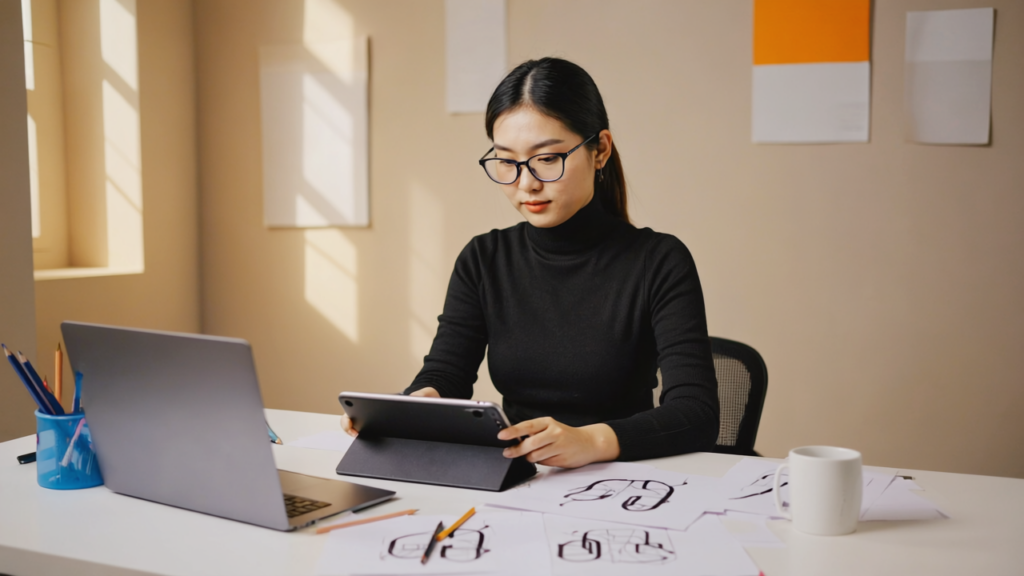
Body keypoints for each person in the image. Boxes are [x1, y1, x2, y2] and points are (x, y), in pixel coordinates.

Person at [342, 57, 719, 468]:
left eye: (548, 158)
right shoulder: (484, 259)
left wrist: (591, 441)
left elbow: (696, 413)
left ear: (600, 150)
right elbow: (446, 375)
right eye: (507, 161)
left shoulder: (658, 261)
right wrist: (410, 409)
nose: (527, 184)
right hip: (520, 475)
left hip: (621, 477)